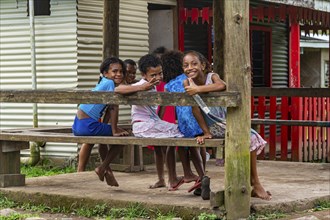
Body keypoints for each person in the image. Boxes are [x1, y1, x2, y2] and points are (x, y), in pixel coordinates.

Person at [182, 50, 272, 200]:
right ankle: (255, 183)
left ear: (203, 65)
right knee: (249, 136)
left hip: (225, 120)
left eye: (194, 63)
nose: (189, 67)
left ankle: (254, 182)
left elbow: (221, 85)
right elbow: (195, 109)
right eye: (185, 65)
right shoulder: (187, 83)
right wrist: (205, 132)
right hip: (212, 125)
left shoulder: (212, 77)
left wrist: (198, 89)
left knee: (251, 137)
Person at [115, 54, 184, 190]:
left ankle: (161, 180)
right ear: (144, 75)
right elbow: (118, 89)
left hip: (152, 123)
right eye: (153, 75)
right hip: (143, 126)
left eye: (160, 73)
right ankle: (173, 178)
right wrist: (142, 88)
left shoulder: (156, 87)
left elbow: (159, 111)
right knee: (179, 133)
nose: (158, 77)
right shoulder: (141, 84)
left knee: (159, 149)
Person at [72, 57, 129, 186]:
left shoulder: (104, 82)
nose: (118, 74)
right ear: (105, 73)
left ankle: (101, 171)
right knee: (126, 136)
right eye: (114, 71)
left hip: (78, 124)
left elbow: (109, 110)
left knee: (102, 137)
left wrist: (108, 127)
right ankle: (103, 167)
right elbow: (114, 107)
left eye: (121, 71)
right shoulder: (109, 83)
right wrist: (114, 130)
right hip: (87, 125)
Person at [162, 50, 208, 197]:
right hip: (198, 120)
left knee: (188, 146)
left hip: (184, 122)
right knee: (197, 148)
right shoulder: (192, 79)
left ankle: (198, 177)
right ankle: (202, 177)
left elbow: (163, 105)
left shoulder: (170, 85)